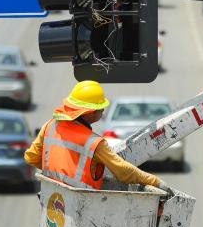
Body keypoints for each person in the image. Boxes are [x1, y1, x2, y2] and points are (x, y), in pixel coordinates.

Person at [24, 80, 174, 195]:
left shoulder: (49, 126)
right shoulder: (94, 143)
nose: (103, 111)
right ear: (89, 112)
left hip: (53, 199)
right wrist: (155, 181)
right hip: (84, 206)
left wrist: (59, 172)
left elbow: (32, 157)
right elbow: (123, 171)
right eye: (101, 108)